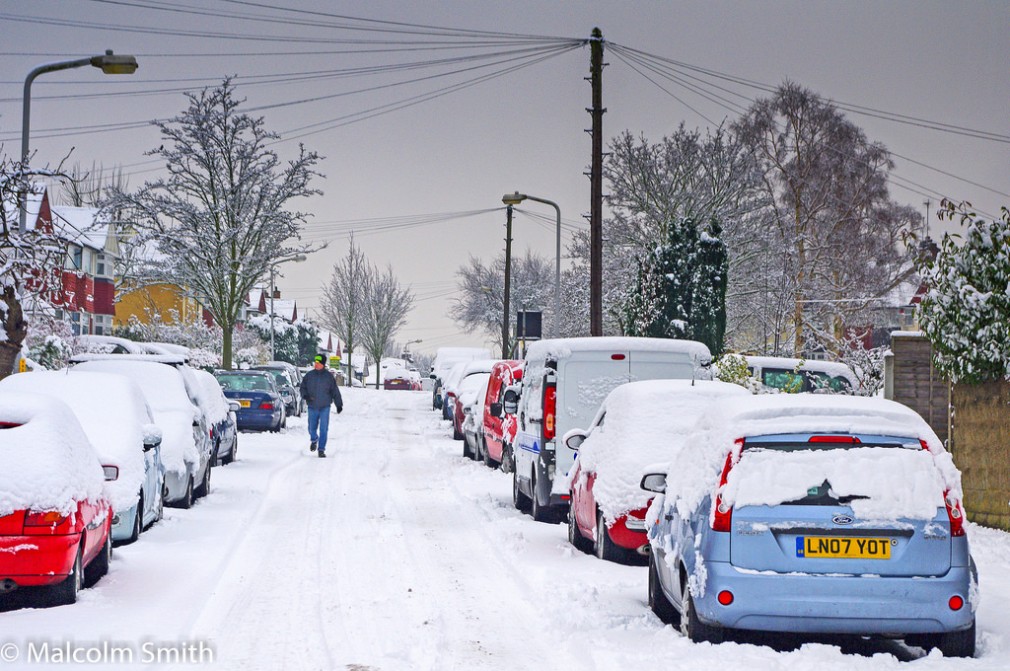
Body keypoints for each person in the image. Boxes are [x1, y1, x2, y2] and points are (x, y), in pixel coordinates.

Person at [300, 354, 343, 458]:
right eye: (315, 362)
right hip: (312, 406)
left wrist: (338, 404)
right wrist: (305, 396)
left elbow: (335, 391)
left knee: (324, 429)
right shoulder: (309, 376)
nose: (316, 364)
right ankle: (314, 439)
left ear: (323, 364)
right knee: (311, 428)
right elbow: (303, 388)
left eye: (318, 363)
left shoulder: (328, 377)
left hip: (325, 407)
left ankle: (321, 449)